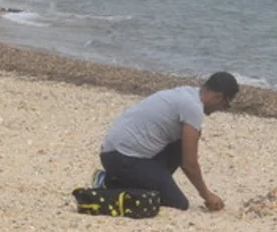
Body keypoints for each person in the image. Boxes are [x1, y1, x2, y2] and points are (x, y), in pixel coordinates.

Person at [97, 72, 240, 212]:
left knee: (184, 141)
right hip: (121, 158)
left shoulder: (188, 94)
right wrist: (207, 195)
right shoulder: (193, 108)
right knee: (178, 203)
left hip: (114, 152)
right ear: (218, 97)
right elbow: (189, 164)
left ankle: (123, 181)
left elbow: (185, 153)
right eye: (225, 105)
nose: (220, 109)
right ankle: (110, 184)